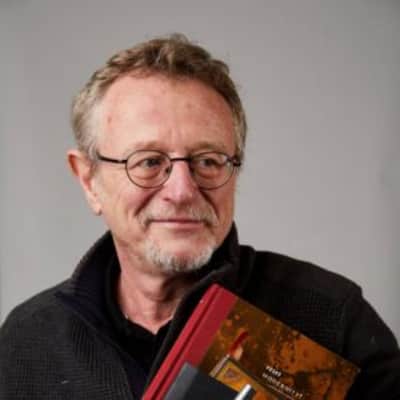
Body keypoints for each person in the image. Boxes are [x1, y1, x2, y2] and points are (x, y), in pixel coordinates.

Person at [0, 34, 399, 400]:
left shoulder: (331, 318)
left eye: (208, 161)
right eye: (149, 162)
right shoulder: (25, 343)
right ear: (89, 180)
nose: (182, 190)